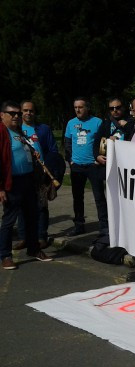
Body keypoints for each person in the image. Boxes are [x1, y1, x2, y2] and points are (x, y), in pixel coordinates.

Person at [1, 101, 52, 270]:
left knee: (32, 216)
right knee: (9, 220)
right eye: (12, 113)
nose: (17, 116)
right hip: (12, 182)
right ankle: (5, 255)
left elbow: (21, 150)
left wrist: (32, 151)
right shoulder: (2, 132)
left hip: (28, 180)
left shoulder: (18, 132)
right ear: (2, 115)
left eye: (17, 113)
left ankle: (34, 249)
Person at [13, 100, 60, 249]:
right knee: (21, 206)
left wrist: (50, 169)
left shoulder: (43, 129)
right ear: (21, 112)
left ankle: (41, 236)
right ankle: (23, 237)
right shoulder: (15, 129)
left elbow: (53, 150)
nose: (28, 113)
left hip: (40, 173)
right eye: (25, 110)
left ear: (35, 112)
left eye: (31, 111)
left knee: (41, 206)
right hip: (22, 172)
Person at [64, 97, 108, 236]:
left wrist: (98, 158)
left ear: (87, 108)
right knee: (77, 198)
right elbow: (67, 142)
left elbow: (104, 141)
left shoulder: (97, 122)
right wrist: (70, 160)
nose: (77, 110)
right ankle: (79, 225)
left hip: (93, 166)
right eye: (75, 107)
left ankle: (104, 227)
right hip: (77, 166)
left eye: (80, 107)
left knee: (99, 197)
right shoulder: (71, 123)